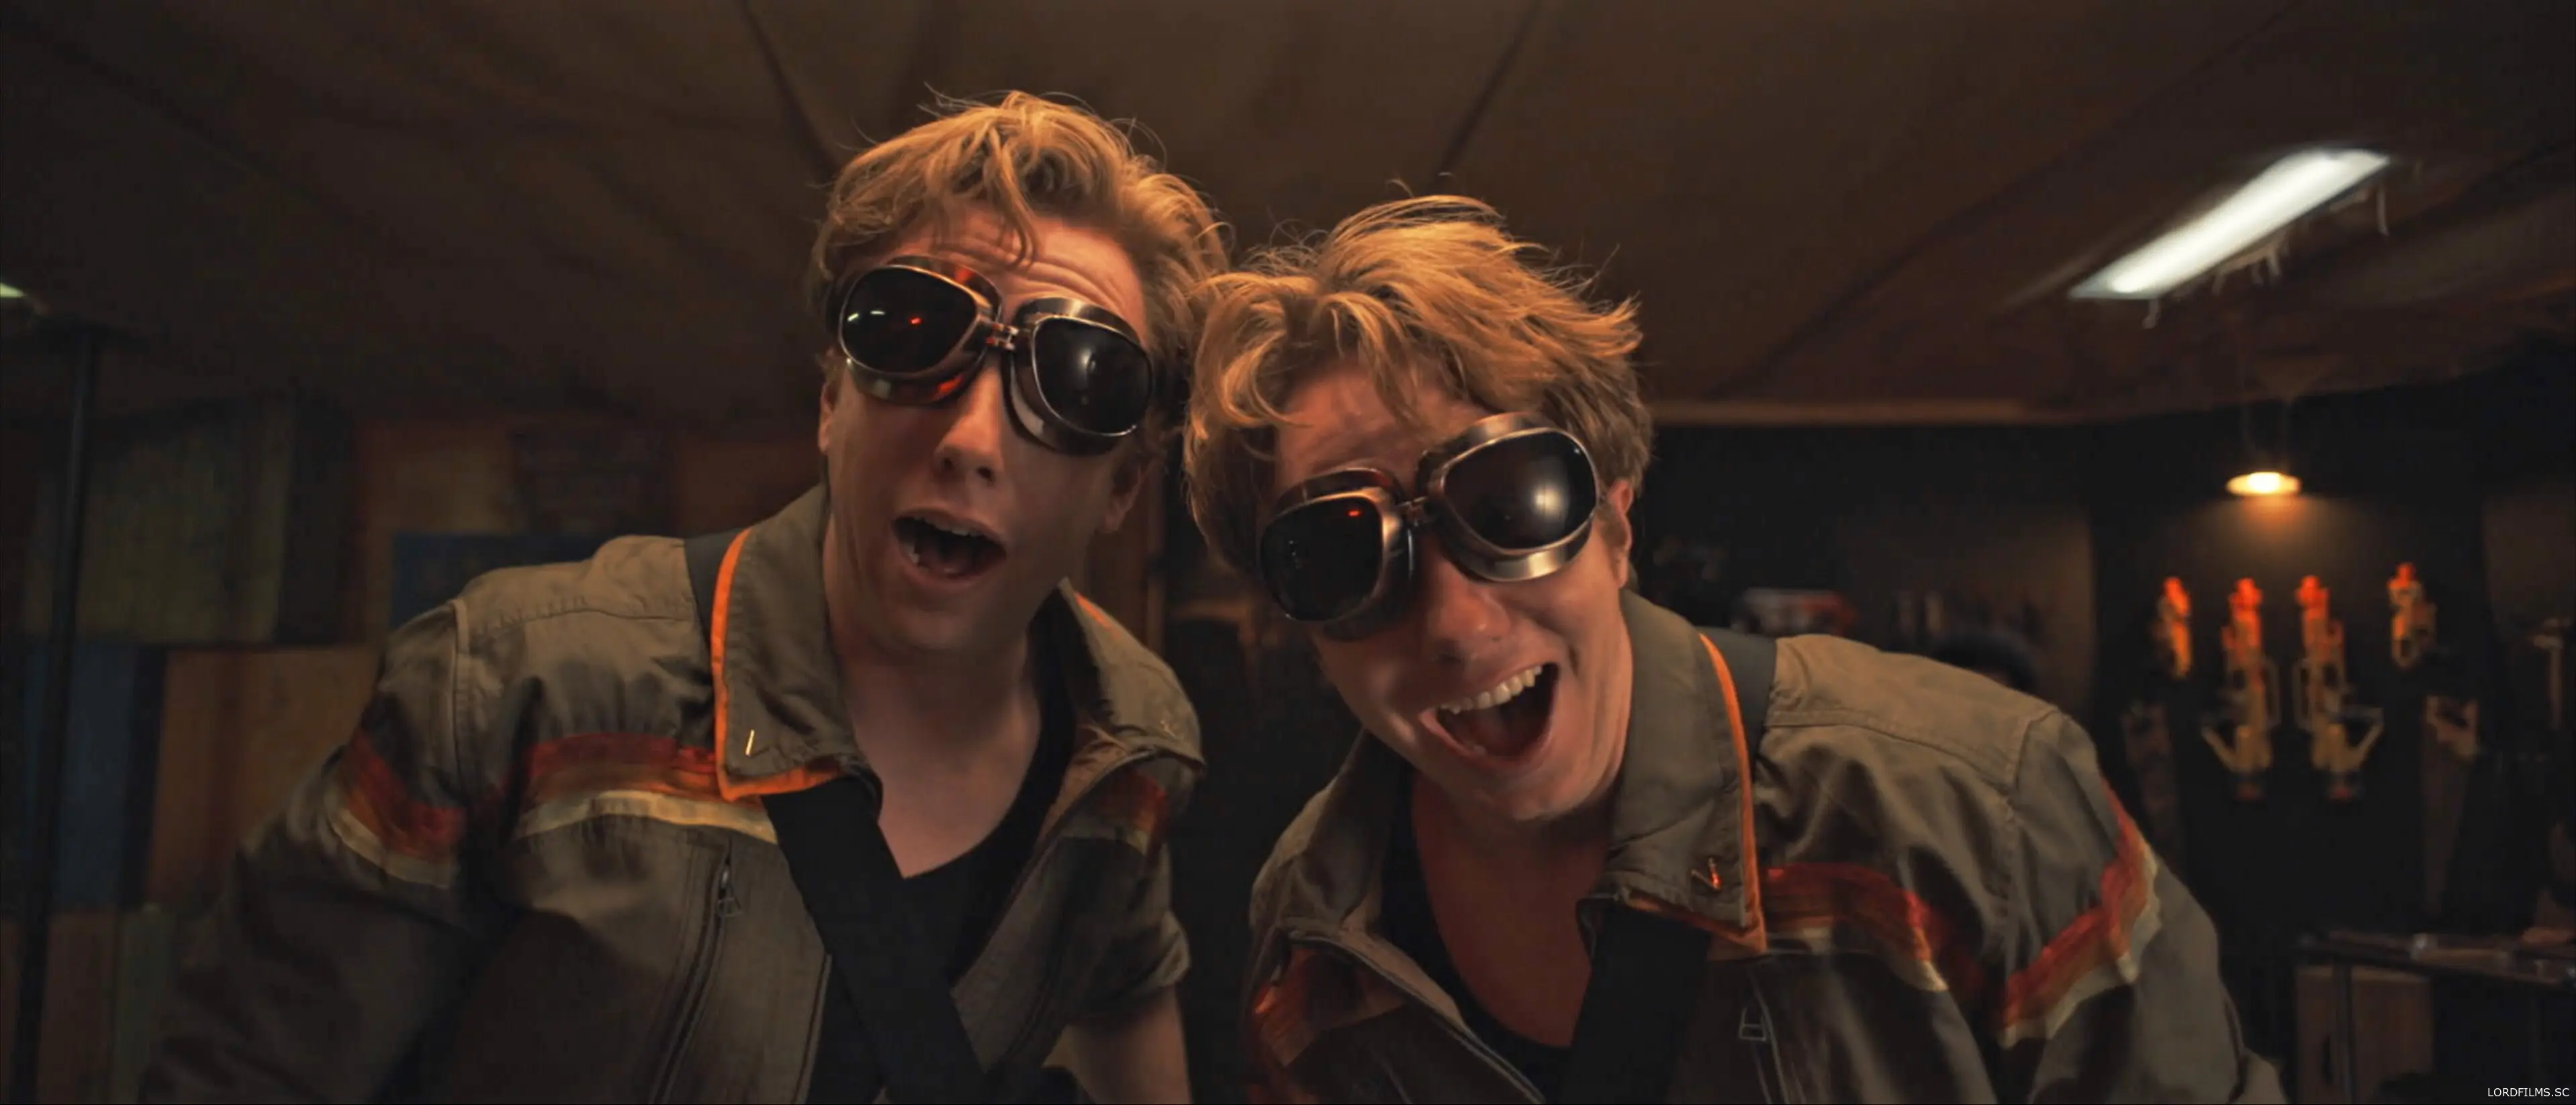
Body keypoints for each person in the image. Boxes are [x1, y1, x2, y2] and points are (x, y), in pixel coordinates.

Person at [143, 93, 1224, 1103]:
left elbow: (1127, 988)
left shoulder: (1128, 745)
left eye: (1077, 380)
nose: (971, 438)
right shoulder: (522, 686)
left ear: (1123, 489)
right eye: (911, 333)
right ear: (831, 403)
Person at [1183, 196, 2283, 1102]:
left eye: (1508, 503)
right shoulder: (1313, 937)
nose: (1458, 625)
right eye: (1343, 556)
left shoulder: (1974, 812)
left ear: (1615, 524)